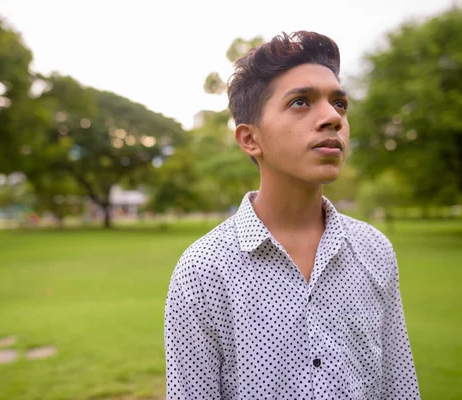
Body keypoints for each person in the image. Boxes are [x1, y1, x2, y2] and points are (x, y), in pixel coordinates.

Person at [164, 31, 420, 399]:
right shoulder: (204, 271)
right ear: (250, 139)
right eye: (301, 102)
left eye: (340, 104)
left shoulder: (374, 250)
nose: (332, 117)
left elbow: (399, 387)